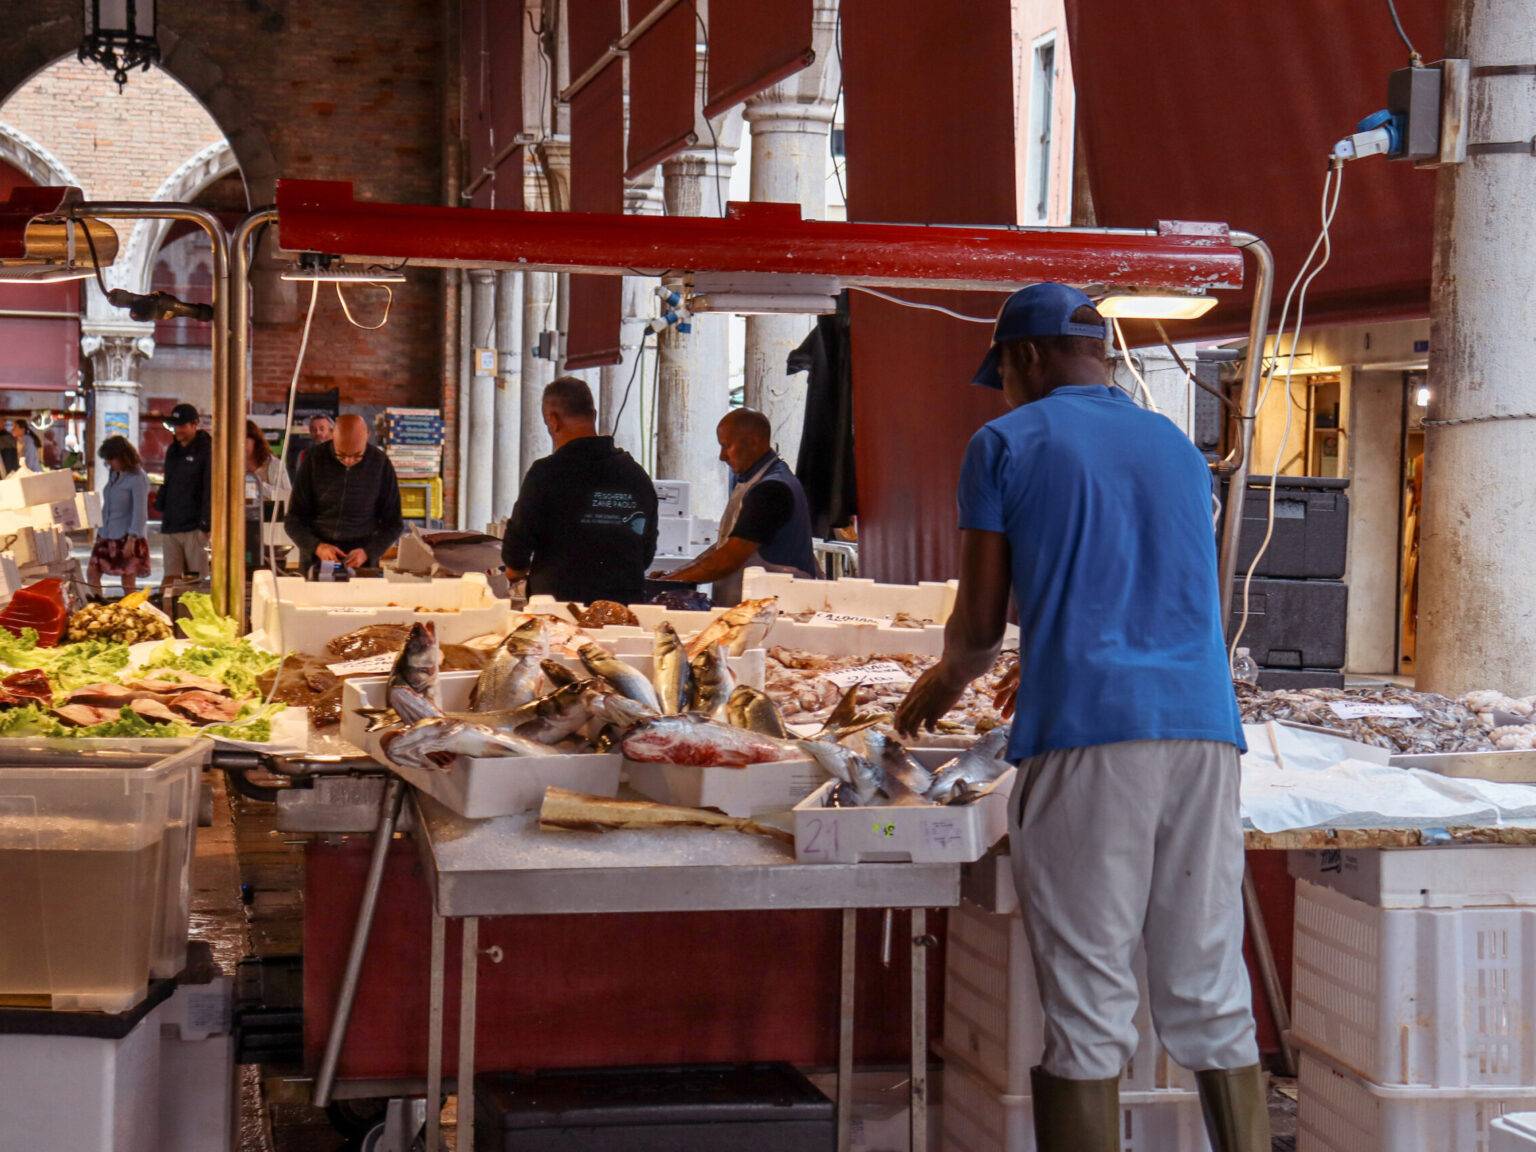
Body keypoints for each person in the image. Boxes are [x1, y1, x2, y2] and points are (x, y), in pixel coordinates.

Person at [893, 283, 1266, 1152]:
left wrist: (943, 686)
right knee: (1208, 982)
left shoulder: (1004, 442)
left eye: (1006, 374)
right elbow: (1160, 588)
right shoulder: (1174, 444)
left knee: (1092, 998)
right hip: (1205, 731)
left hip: (1091, 735)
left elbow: (980, 631)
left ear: (1023, 358)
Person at [501, 376, 658, 604]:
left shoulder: (546, 473)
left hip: (560, 613)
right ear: (593, 415)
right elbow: (645, 553)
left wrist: (515, 572)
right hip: (624, 614)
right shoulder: (637, 476)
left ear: (553, 420)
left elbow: (517, 549)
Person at [649, 407, 818, 604]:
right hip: (755, 606)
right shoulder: (755, 481)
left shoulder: (771, 489)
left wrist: (673, 581)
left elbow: (729, 558)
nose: (722, 456)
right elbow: (726, 545)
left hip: (778, 609)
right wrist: (677, 573)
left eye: (726, 445)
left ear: (754, 442)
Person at [285, 413, 403, 575]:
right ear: (333, 436)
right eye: (341, 455)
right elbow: (293, 520)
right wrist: (316, 546)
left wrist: (368, 551)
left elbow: (394, 523)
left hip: (361, 560)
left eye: (357, 456)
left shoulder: (380, 464)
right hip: (316, 557)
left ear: (367, 437)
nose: (348, 461)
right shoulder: (313, 460)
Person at [158, 402, 212, 592]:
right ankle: (171, 617)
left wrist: (206, 524)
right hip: (171, 524)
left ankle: (197, 619)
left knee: (196, 581)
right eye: (175, 426)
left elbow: (209, 488)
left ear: (195, 424)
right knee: (171, 579)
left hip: (195, 527)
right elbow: (169, 482)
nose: (177, 430)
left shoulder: (207, 449)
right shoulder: (173, 450)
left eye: (182, 425)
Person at [89, 435, 150, 596]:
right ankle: (97, 607)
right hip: (106, 533)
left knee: (128, 581)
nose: (109, 463)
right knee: (92, 572)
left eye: (111, 459)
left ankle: (130, 614)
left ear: (123, 456)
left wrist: (132, 539)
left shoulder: (138, 478)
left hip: (127, 536)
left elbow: (140, 511)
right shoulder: (114, 474)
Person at [244, 420, 292, 570]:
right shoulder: (231, 463)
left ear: (255, 441)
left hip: (271, 527)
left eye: (244, 440)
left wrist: (256, 484)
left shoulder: (274, 465)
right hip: (242, 526)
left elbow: (286, 496)